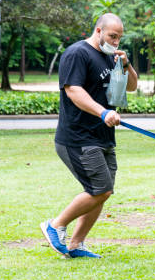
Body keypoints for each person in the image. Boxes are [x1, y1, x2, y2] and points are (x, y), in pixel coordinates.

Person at [40, 13, 138, 259]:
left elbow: (132, 86)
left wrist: (126, 63)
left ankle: (76, 245)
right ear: (98, 31)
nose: (115, 42)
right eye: (111, 36)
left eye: (118, 38)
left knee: (101, 193)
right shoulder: (77, 54)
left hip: (103, 136)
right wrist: (103, 111)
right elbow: (73, 90)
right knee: (100, 190)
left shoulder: (111, 57)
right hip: (77, 137)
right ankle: (55, 225)